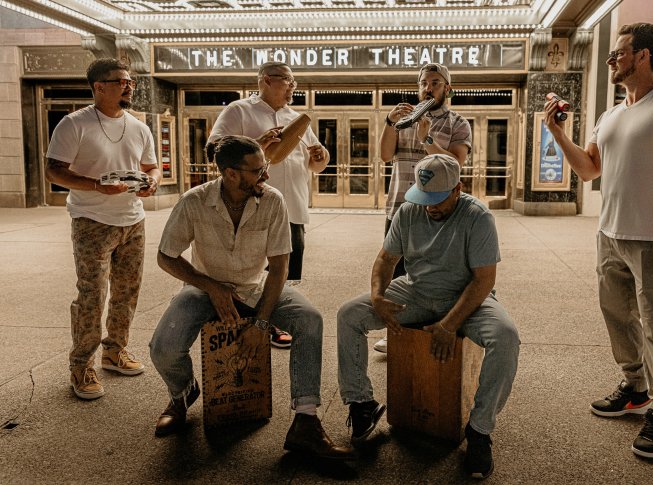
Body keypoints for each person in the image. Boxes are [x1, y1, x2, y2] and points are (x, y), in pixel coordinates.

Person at [544, 23, 653, 459]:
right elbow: (588, 170)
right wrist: (559, 135)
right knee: (617, 316)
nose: (611, 59)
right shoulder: (610, 115)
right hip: (610, 234)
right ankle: (635, 387)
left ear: (643, 56)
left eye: (618, 52)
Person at [149, 135, 353, 460]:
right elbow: (166, 256)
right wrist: (210, 286)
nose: (266, 175)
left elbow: (280, 266)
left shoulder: (273, 200)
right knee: (164, 347)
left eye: (265, 167)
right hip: (204, 290)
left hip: (256, 287)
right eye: (258, 170)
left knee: (309, 319)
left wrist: (262, 322)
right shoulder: (194, 201)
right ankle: (182, 395)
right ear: (231, 174)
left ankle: (306, 421)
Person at [337, 154, 519, 478]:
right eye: (424, 199)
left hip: (466, 297)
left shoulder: (478, 217)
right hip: (416, 291)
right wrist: (378, 296)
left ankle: (479, 430)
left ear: (458, 189)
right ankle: (361, 403)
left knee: (506, 337)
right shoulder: (408, 211)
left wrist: (450, 325)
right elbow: (385, 260)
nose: (429, 207)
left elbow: (483, 280)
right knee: (350, 314)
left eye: (437, 200)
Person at [45, 58, 160, 400]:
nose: (129, 86)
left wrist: (152, 183)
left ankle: (115, 350)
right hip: (91, 220)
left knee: (127, 292)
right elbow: (54, 170)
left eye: (130, 82)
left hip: (133, 220)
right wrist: (96, 186)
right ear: (99, 87)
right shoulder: (74, 123)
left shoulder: (138, 127)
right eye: (121, 81)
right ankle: (81, 364)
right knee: (92, 295)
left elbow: (151, 167)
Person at [208, 61, 330, 349]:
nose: (293, 86)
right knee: (251, 270)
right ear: (266, 79)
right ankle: (247, 320)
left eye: (294, 82)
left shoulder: (296, 118)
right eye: (288, 80)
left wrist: (321, 156)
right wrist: (256, 144)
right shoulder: (239, 110)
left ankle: (273, 319)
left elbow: (315, 166)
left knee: (284, 270)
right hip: (252, 205)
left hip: (293, 206)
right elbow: (215, 150)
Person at [374, 63, 472, 354]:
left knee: (434, 271)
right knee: (396, 271)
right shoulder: (404, 119)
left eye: (435, 82)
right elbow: (384, 155)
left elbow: (455, 164)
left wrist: (427, 139)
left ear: (447, 88)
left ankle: (438, 326)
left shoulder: (458, 123)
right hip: (400, 206)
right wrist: (390, 122)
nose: (428, 88)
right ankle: (395, 332)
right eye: (423, 83)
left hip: (439, 210)